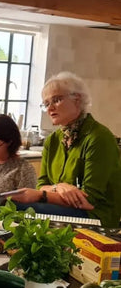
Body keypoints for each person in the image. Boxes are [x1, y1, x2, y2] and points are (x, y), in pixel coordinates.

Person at [12, 72, 121, 228]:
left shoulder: (99, 137)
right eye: (46, 103)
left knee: (19, 209)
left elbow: (89, 199)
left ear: (77, 99)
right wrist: (59, 187)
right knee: (10, 208)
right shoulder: (53, 140)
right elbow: (42, 183)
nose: (50, 108)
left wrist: (43, 194)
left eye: (56, 100)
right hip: (65, 208)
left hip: (96, 216)